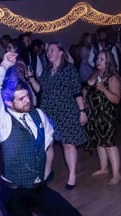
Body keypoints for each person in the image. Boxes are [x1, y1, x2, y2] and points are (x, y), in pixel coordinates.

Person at [0, 51, 83, 216]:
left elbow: (47, 146)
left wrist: (45, 172)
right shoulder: (3, 123)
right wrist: (5, 65)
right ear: (8, 102)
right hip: (14, 193)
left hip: (38, 187)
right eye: (21, 99)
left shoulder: (38, 114)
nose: (27, 101)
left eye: (27, 96)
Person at [29, 41, 88, 190]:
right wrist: (30, 79)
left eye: (52, 50)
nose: (49, 53)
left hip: (66, 111)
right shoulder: (47, 71)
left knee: (67, 144)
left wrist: (82, 111)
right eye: (48, 51)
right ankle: (47, 172)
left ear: (61, 52)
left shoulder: (69, 70)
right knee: (48, 144)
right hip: (48, 112)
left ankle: (72, 175)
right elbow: (40, 91)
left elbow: (77, 91)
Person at [84, 49, 121, 185]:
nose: (98, 61)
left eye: (101, 59)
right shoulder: (94, 74)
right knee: (99, 142)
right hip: (94, 114)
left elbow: (117, 99)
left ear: (108, 62)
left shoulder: (113, 77)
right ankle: (104, 168)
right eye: (97, 58)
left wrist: (104, 89)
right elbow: (85, 89)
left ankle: (117, 174)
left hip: (107, 115)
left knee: (109, 143)